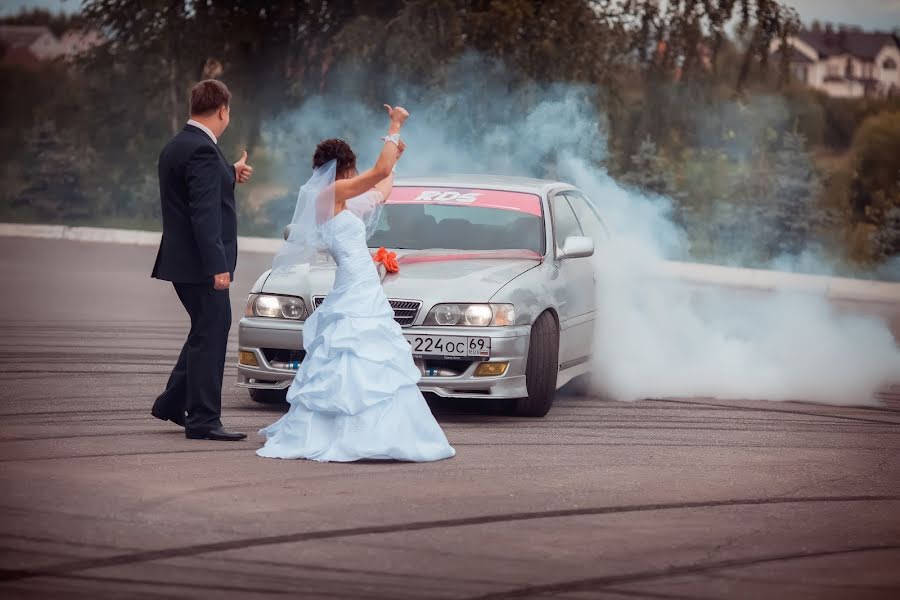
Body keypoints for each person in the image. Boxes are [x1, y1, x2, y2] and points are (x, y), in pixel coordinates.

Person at [256, 105, 456, 462]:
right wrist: (395, 127)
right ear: (344, 167)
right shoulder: (329, 196)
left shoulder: (343, 201)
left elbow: (383, 187)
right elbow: (378, 171)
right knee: (355, 351)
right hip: (354, 281)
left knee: (364, 352)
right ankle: (352, 433)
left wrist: (396, 159)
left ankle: (373, 430)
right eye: (351, 168)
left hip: (363, 282)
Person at [150, 79, 254, 441]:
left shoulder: (179, 146)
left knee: (204, 331)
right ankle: (203, 420)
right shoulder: (204, 152)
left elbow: (195, 193)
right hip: (201, 265)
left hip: (182, 263)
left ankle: (170, 404)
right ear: (223, 110)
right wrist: (218, 266)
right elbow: (204, 214)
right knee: (212, 331)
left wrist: (230, 174)